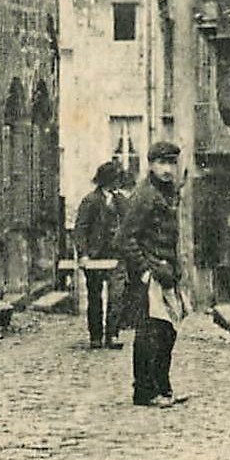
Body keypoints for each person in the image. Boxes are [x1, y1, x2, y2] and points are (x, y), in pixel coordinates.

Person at [116, 141, 188, 408]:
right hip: (150, 278)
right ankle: (144, 391)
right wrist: (144, 270)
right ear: (151, 165)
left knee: (167, 331)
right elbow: (124, 238)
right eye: (162, 164)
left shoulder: (168, 193)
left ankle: (163, 386)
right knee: (149, 334)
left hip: (166, 274)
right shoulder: (144, 196)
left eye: (172, 163)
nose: (168, 169)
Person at [73, 162, 125, 350]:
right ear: (106, 180)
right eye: (115, 179)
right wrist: (83, 254)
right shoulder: (90, 201)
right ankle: (96, 335)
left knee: (117, 296)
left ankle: (112, 334)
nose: (118, 182)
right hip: (95, 258)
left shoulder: (121, 201)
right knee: (95, 297)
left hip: (116, 256)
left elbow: (128, 226)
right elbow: (80, 230)